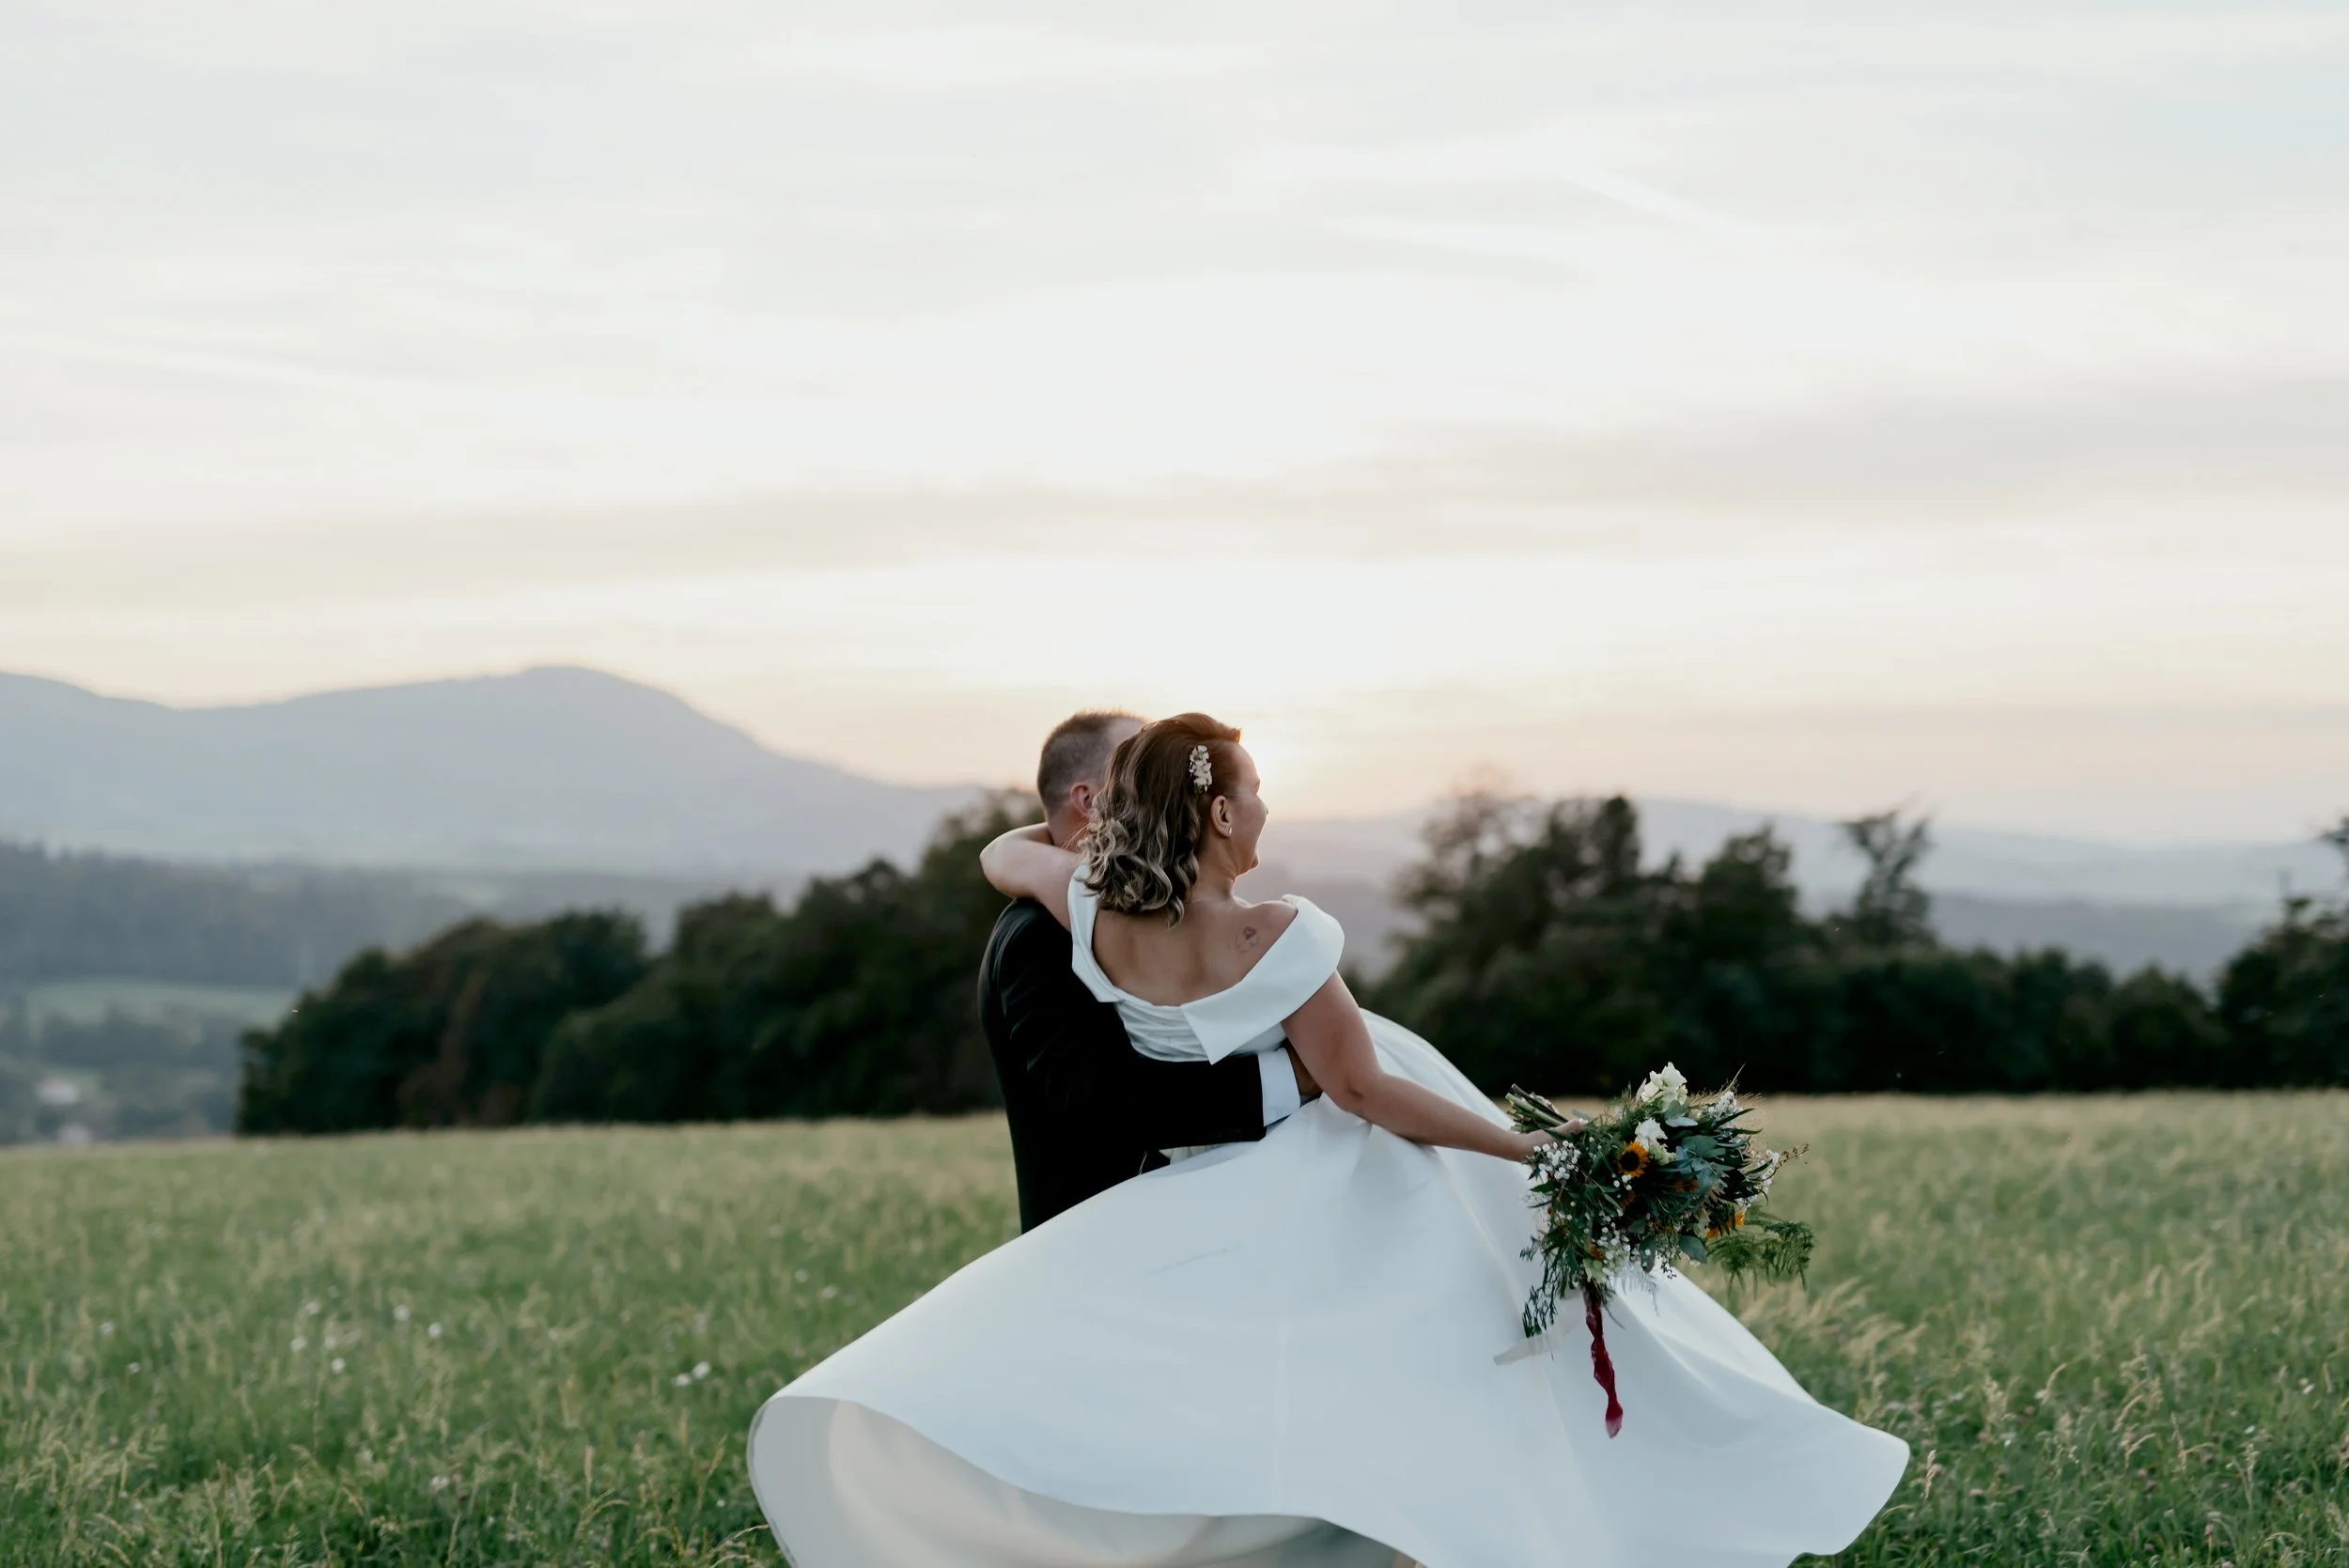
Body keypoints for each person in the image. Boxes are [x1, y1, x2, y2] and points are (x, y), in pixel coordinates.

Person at [748, 713, 1907, 1568]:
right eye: (1250, 793)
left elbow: (1011, 851)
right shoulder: (1280, 931)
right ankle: (1498, 1512)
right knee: (1448, 1301)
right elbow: (1364, 1091)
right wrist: (1536, 1151)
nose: (1265, 813)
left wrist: (1089, 837)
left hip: (1208, 1186)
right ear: (1211, 810)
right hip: (1297, 1157)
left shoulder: (1088, 910)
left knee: (1353, 1355)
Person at [978, 710, 1321, 1232]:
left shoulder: (1140, 908)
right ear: (1091, 802)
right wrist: (1288, 1076)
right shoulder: (1037, 935)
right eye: (1135, 770)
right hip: (1098, 1243)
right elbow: (1098, 1100)